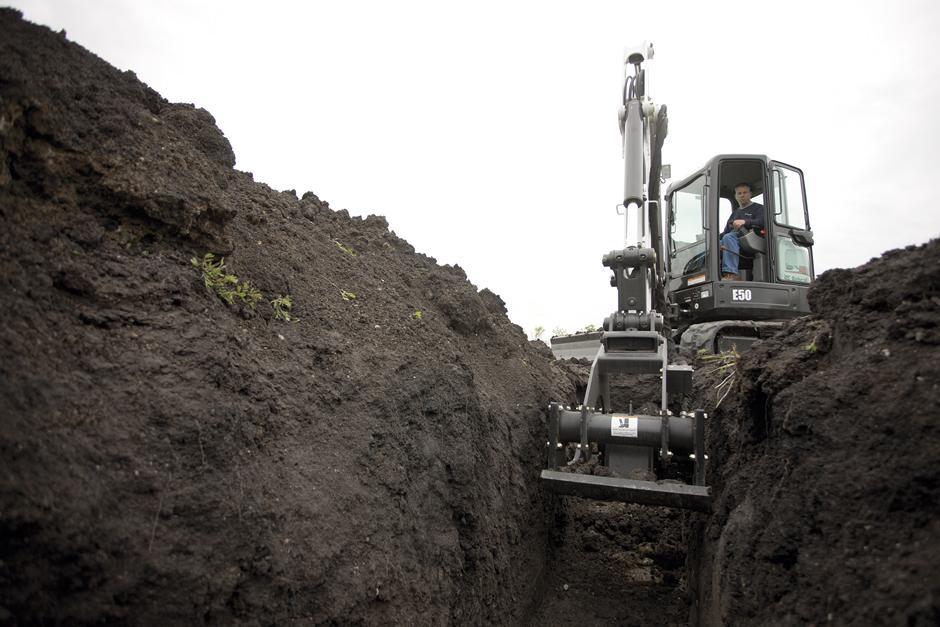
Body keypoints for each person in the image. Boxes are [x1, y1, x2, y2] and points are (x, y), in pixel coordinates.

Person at [720, 182, 765, 280]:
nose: (742, 195)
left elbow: (762, 222)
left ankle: (731, 273)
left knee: (728, 237)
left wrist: (745, 222)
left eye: (745, 192)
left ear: (750, 194)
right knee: (714, 244)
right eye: (739, 193)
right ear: (735, 196)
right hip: (734, 238)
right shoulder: (735, 213)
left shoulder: (759, 208)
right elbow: (726, 231)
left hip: (752, 238)